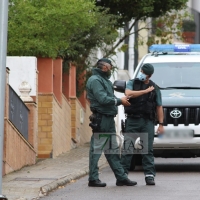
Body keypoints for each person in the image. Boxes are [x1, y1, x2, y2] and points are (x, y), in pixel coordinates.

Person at [86, 58, 137, 187]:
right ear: (104, 68)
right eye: (110, 68)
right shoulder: (95, 80)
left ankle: (121, 177)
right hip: (101, 119)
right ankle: (93, 178)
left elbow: (111, 97)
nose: (110, 70)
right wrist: (120, 101)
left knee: (112, 149)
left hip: (108, 118)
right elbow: (103, 99)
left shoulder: (105, 81)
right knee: (96, 149)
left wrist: (122, 99)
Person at [121, 63, 164, 186]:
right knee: (128, 148)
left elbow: (159, 106)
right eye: (142, 71)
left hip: (147, 122)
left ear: (149, 75)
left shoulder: (155, 88)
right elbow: (128, 93)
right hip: (133, 120)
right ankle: (122, 175)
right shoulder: (132, 83)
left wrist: (161, 124)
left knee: (147, 150)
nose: (142, 74)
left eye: (144, 73)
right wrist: (145, 91)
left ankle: (149, 175)